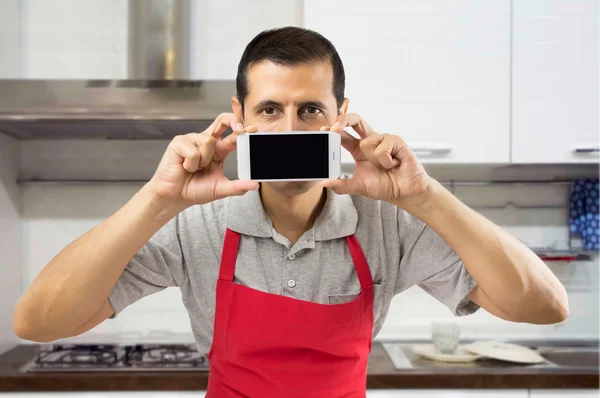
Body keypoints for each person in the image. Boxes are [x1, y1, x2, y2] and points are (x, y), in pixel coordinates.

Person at [14, 27, 568, 397]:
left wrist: (424, 196)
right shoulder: (194, 223)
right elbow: (38, 323)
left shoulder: (388, 222)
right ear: (239, 117)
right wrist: (156, 201)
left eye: (309, 111)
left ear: (342, 117)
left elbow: (544, 306)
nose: (288, 129)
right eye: (270, 110)